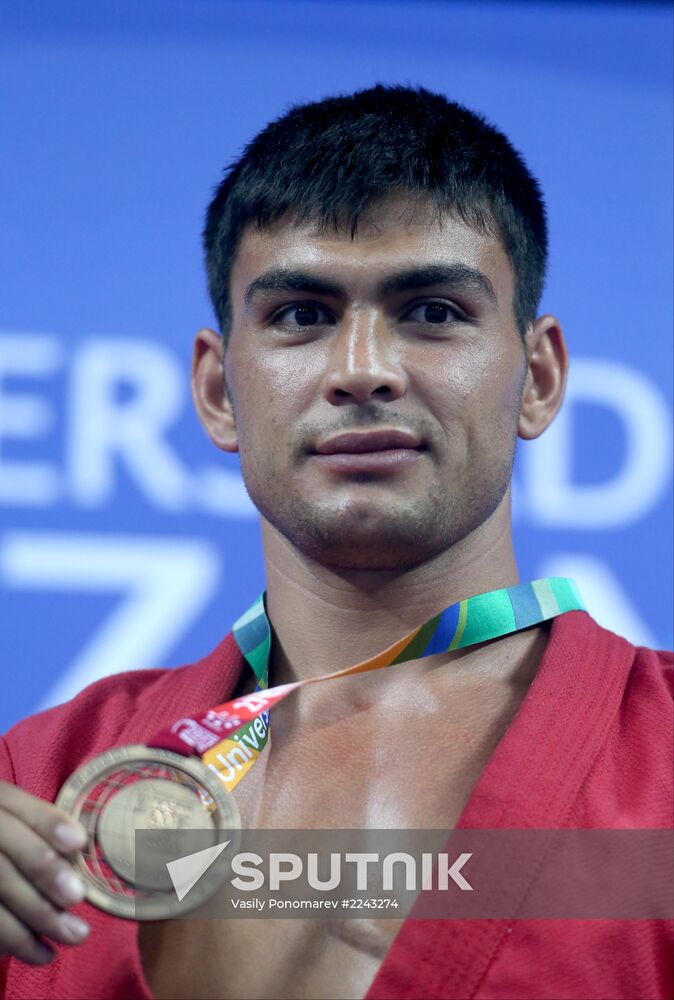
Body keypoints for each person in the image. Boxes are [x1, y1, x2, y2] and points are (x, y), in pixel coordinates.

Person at [0, 84, 671, 1000]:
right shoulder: (37, 778)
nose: (362, 371)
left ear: (539, 376)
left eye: (433, 310)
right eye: (300, 315)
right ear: (216, 391)